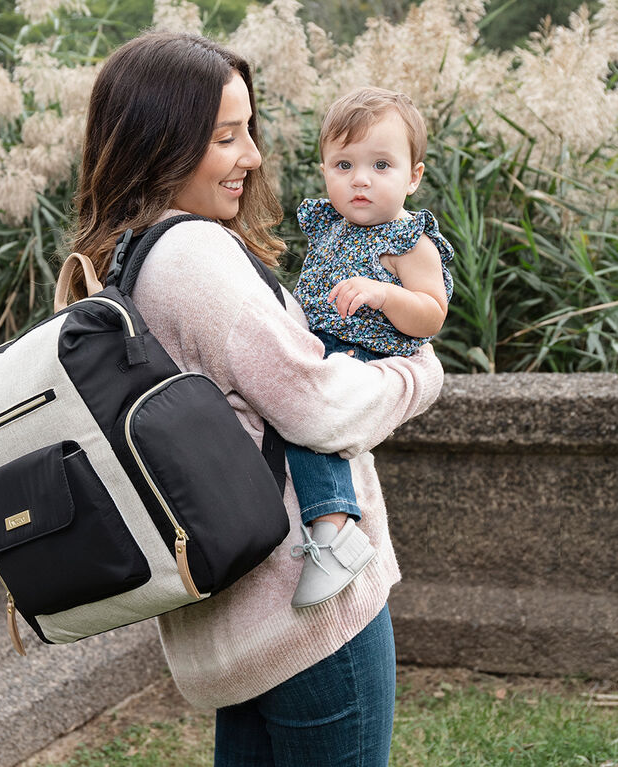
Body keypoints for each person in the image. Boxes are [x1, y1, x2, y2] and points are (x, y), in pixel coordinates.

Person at [70, 31, 444, 767]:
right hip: (304, 616)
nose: (253, 156)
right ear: (161, 142)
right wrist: (419, 371)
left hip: (237, 620)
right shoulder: (195, 257)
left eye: (248, 131)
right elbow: (317, 407)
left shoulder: (124, 255)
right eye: (225, 137)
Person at [286, 87, 454, 609]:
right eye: (344, 164)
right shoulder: (328, 225)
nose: (360, 179)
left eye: (381, 164)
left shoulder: (408, 240)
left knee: (312, 424)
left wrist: (385, 294)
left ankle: (335, 530)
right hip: (321, 342)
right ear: (325, 170)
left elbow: (432, 312)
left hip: (366, 353)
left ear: (413, 176)